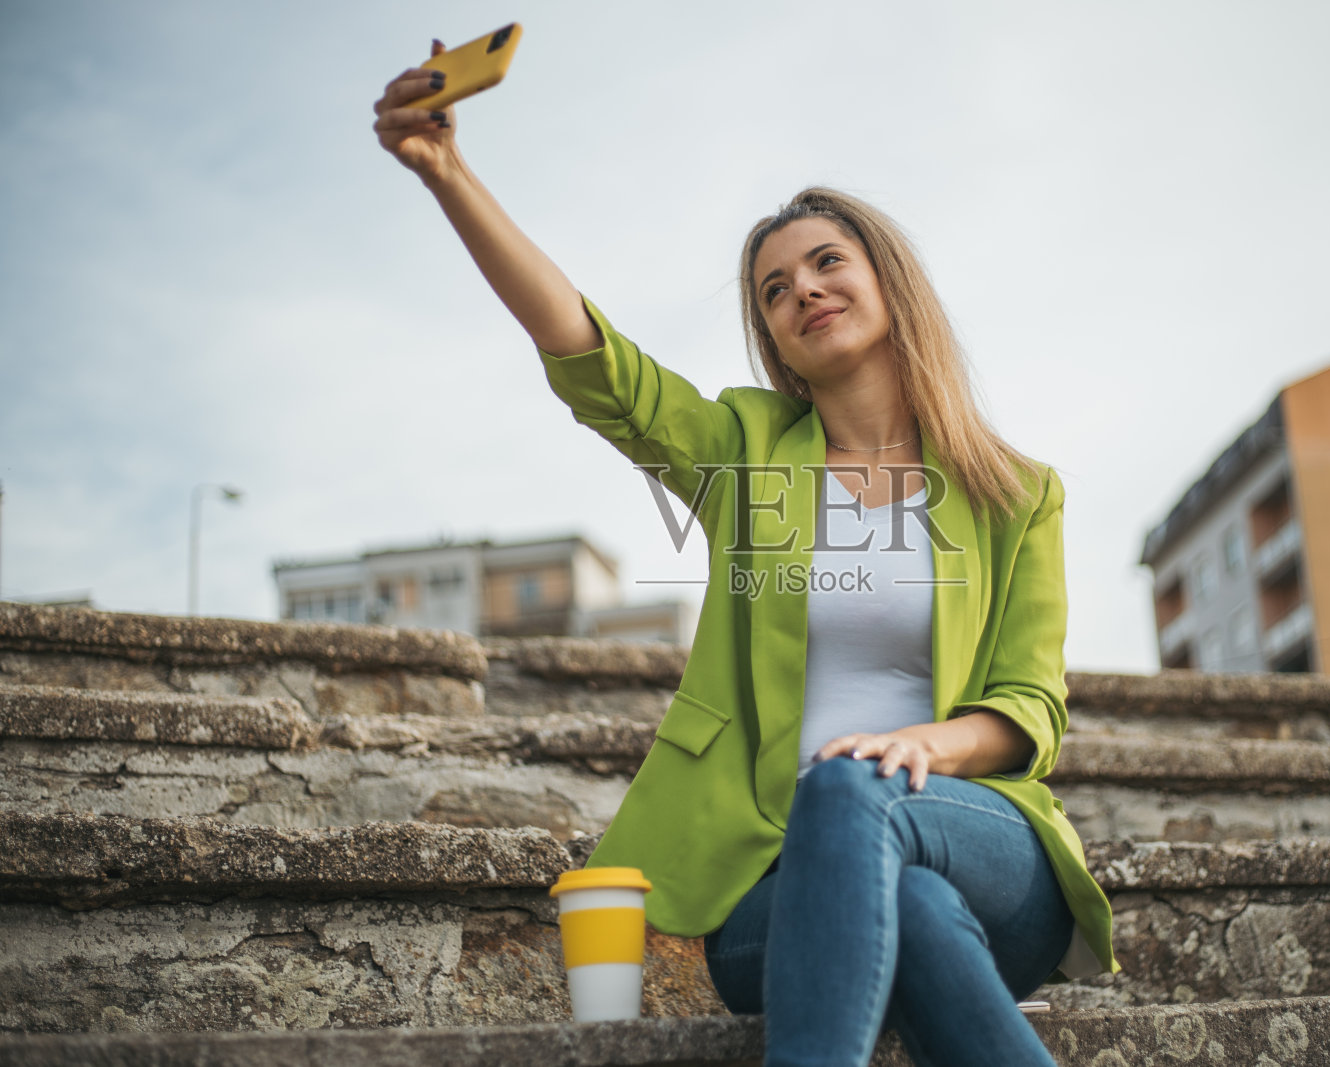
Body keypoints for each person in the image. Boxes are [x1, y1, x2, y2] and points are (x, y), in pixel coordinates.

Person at [373, 42, 1117, 1067]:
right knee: (903, 899)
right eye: (773, 290)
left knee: (854, 791)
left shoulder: (1016, 491)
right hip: (780, 884)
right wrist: (450, 175)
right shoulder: (746, 448)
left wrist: (917, 750)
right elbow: (597, 364)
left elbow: (1029, 707)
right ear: (773, 338)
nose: (801, 290)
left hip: (983, 836)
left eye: (824, 264)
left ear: (885, 282)